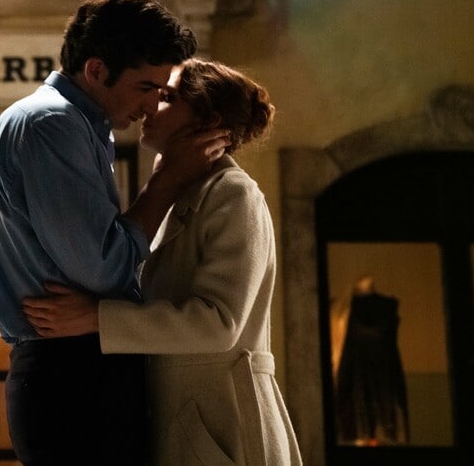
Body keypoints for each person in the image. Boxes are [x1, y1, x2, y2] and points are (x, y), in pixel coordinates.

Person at [0, 0, 229, 466]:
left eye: (162, 94)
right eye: (146, 88)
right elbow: (105, 268)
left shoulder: (66, 124)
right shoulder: (54, 124)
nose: (152, 106)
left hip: (66, 375)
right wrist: (167, 179)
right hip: (73, 382)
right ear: (96, 70)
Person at [23, 58, 303, 466]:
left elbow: (219, 323)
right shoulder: (183, 193)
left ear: (209, 121)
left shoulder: (235, 194)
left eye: (168, 97)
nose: (151, 105)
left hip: (224, 427)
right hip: (184, 424)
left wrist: (94, 318)